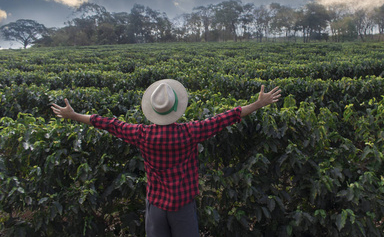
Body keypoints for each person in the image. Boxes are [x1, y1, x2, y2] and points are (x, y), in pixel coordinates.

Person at [51, 79, 281, 237]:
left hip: (156, 206)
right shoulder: (191, 132)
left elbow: (108, 123)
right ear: (176, 108)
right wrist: (259, 103)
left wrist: (73, 115)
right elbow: (226, 117)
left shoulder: (141, 134)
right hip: (182, 205)